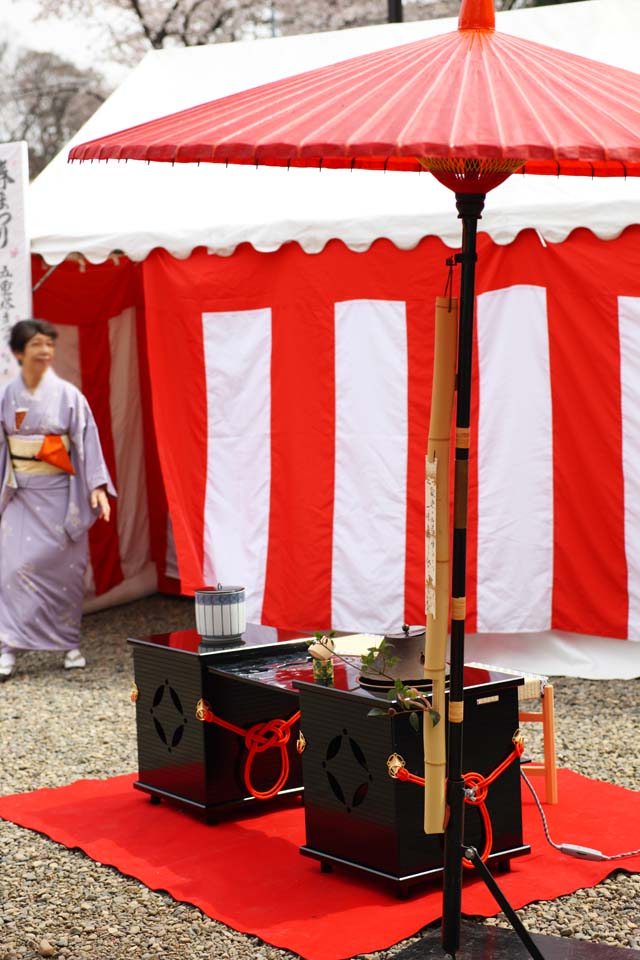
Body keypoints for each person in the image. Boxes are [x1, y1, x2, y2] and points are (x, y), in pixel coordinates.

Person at [0, 319, 116, 681]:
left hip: (61, 497)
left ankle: (69, 645)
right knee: (11, 571)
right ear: (19, 352)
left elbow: (86, 442)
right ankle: (8, 646)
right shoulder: (6, 396)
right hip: (20, 495)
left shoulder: (68, 396)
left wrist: (96, 486)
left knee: (66, 573)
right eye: (37, 343)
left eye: (49, 344)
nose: (45, 350)